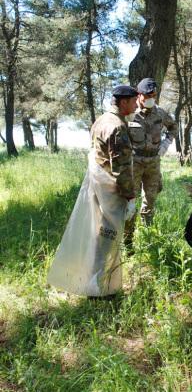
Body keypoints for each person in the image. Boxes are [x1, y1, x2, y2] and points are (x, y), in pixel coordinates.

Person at [47, 85, 138, 297]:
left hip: (99, 186)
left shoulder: (101, 120)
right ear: (123, 102)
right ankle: (99, 288)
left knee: (98, 234)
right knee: (108, 237)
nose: (136, 105)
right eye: (134, 101)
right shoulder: (117, 127)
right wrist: (130, 197)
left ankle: (95, 281)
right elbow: (122, 168)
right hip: (112, 191)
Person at [124, 78, 178, 250]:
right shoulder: (130, 114)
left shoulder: (160, 113)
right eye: (148, 95)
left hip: (154, 162)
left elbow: (173, 127)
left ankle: (148, 238)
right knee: (130, 202)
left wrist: (166, 143)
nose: (151, 98)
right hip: (135, 162)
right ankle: (128, 242)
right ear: (139, 95)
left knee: (150, 200)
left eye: (154, 95)